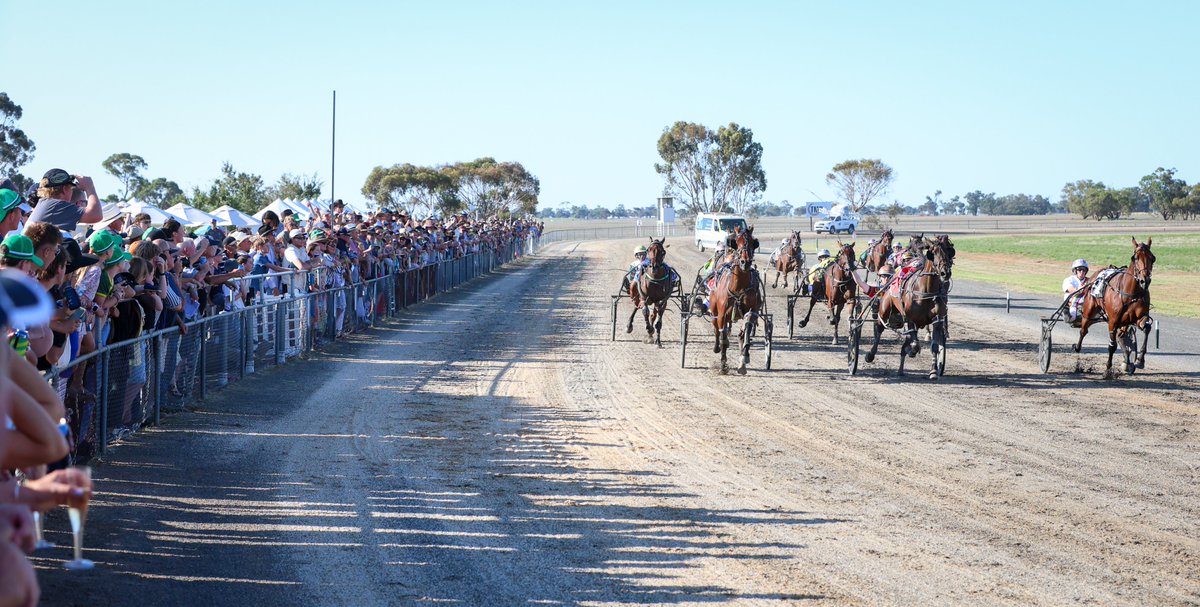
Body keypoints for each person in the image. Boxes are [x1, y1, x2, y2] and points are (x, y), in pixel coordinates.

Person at [27, 169, 104, 233]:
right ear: (64, 190)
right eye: (70, 188)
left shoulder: (45, 204)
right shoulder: (55, 205)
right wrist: (89, 187)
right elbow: (96, 215)